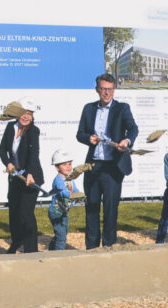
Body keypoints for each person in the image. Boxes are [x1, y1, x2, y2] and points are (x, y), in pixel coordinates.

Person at [76, 73, 138, 249]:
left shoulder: (122, 108)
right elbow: (80, 134)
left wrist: (126, 141)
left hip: (113, 167)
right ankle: (92, 249)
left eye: (110, 89)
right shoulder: (88, 109)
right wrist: (89, 138)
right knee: (92, 209)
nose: (106, 93)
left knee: (110, 210)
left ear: (114, 90)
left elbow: (133, 128)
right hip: (93, 166)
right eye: (103, 89)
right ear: (97, 89)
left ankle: (109, 248)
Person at [0, 99, 44, 253]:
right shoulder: (10, 127)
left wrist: (30, 173)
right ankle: (17, 242)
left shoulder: (33, 131)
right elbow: (2, 149)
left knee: (26, 213)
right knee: (14, 212)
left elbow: (33, 154)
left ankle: (31, 249)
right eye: (24, 113)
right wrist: (8, 163)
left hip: (31, 177)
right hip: (15, 177)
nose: (26, 117)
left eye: (30, 114)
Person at [47, 150, 77, 251]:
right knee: (61, 237)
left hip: (64, 211)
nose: (68, 167)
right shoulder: (58, 180)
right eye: (64, 165)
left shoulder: (70, 179)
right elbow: (64, 193)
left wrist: (82, 196)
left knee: (62, 232)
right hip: (56, 212)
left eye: (70, 164)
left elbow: (75, 190)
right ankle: (59, 255)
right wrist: (74, 196)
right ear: (57, 167)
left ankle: (51, 249)